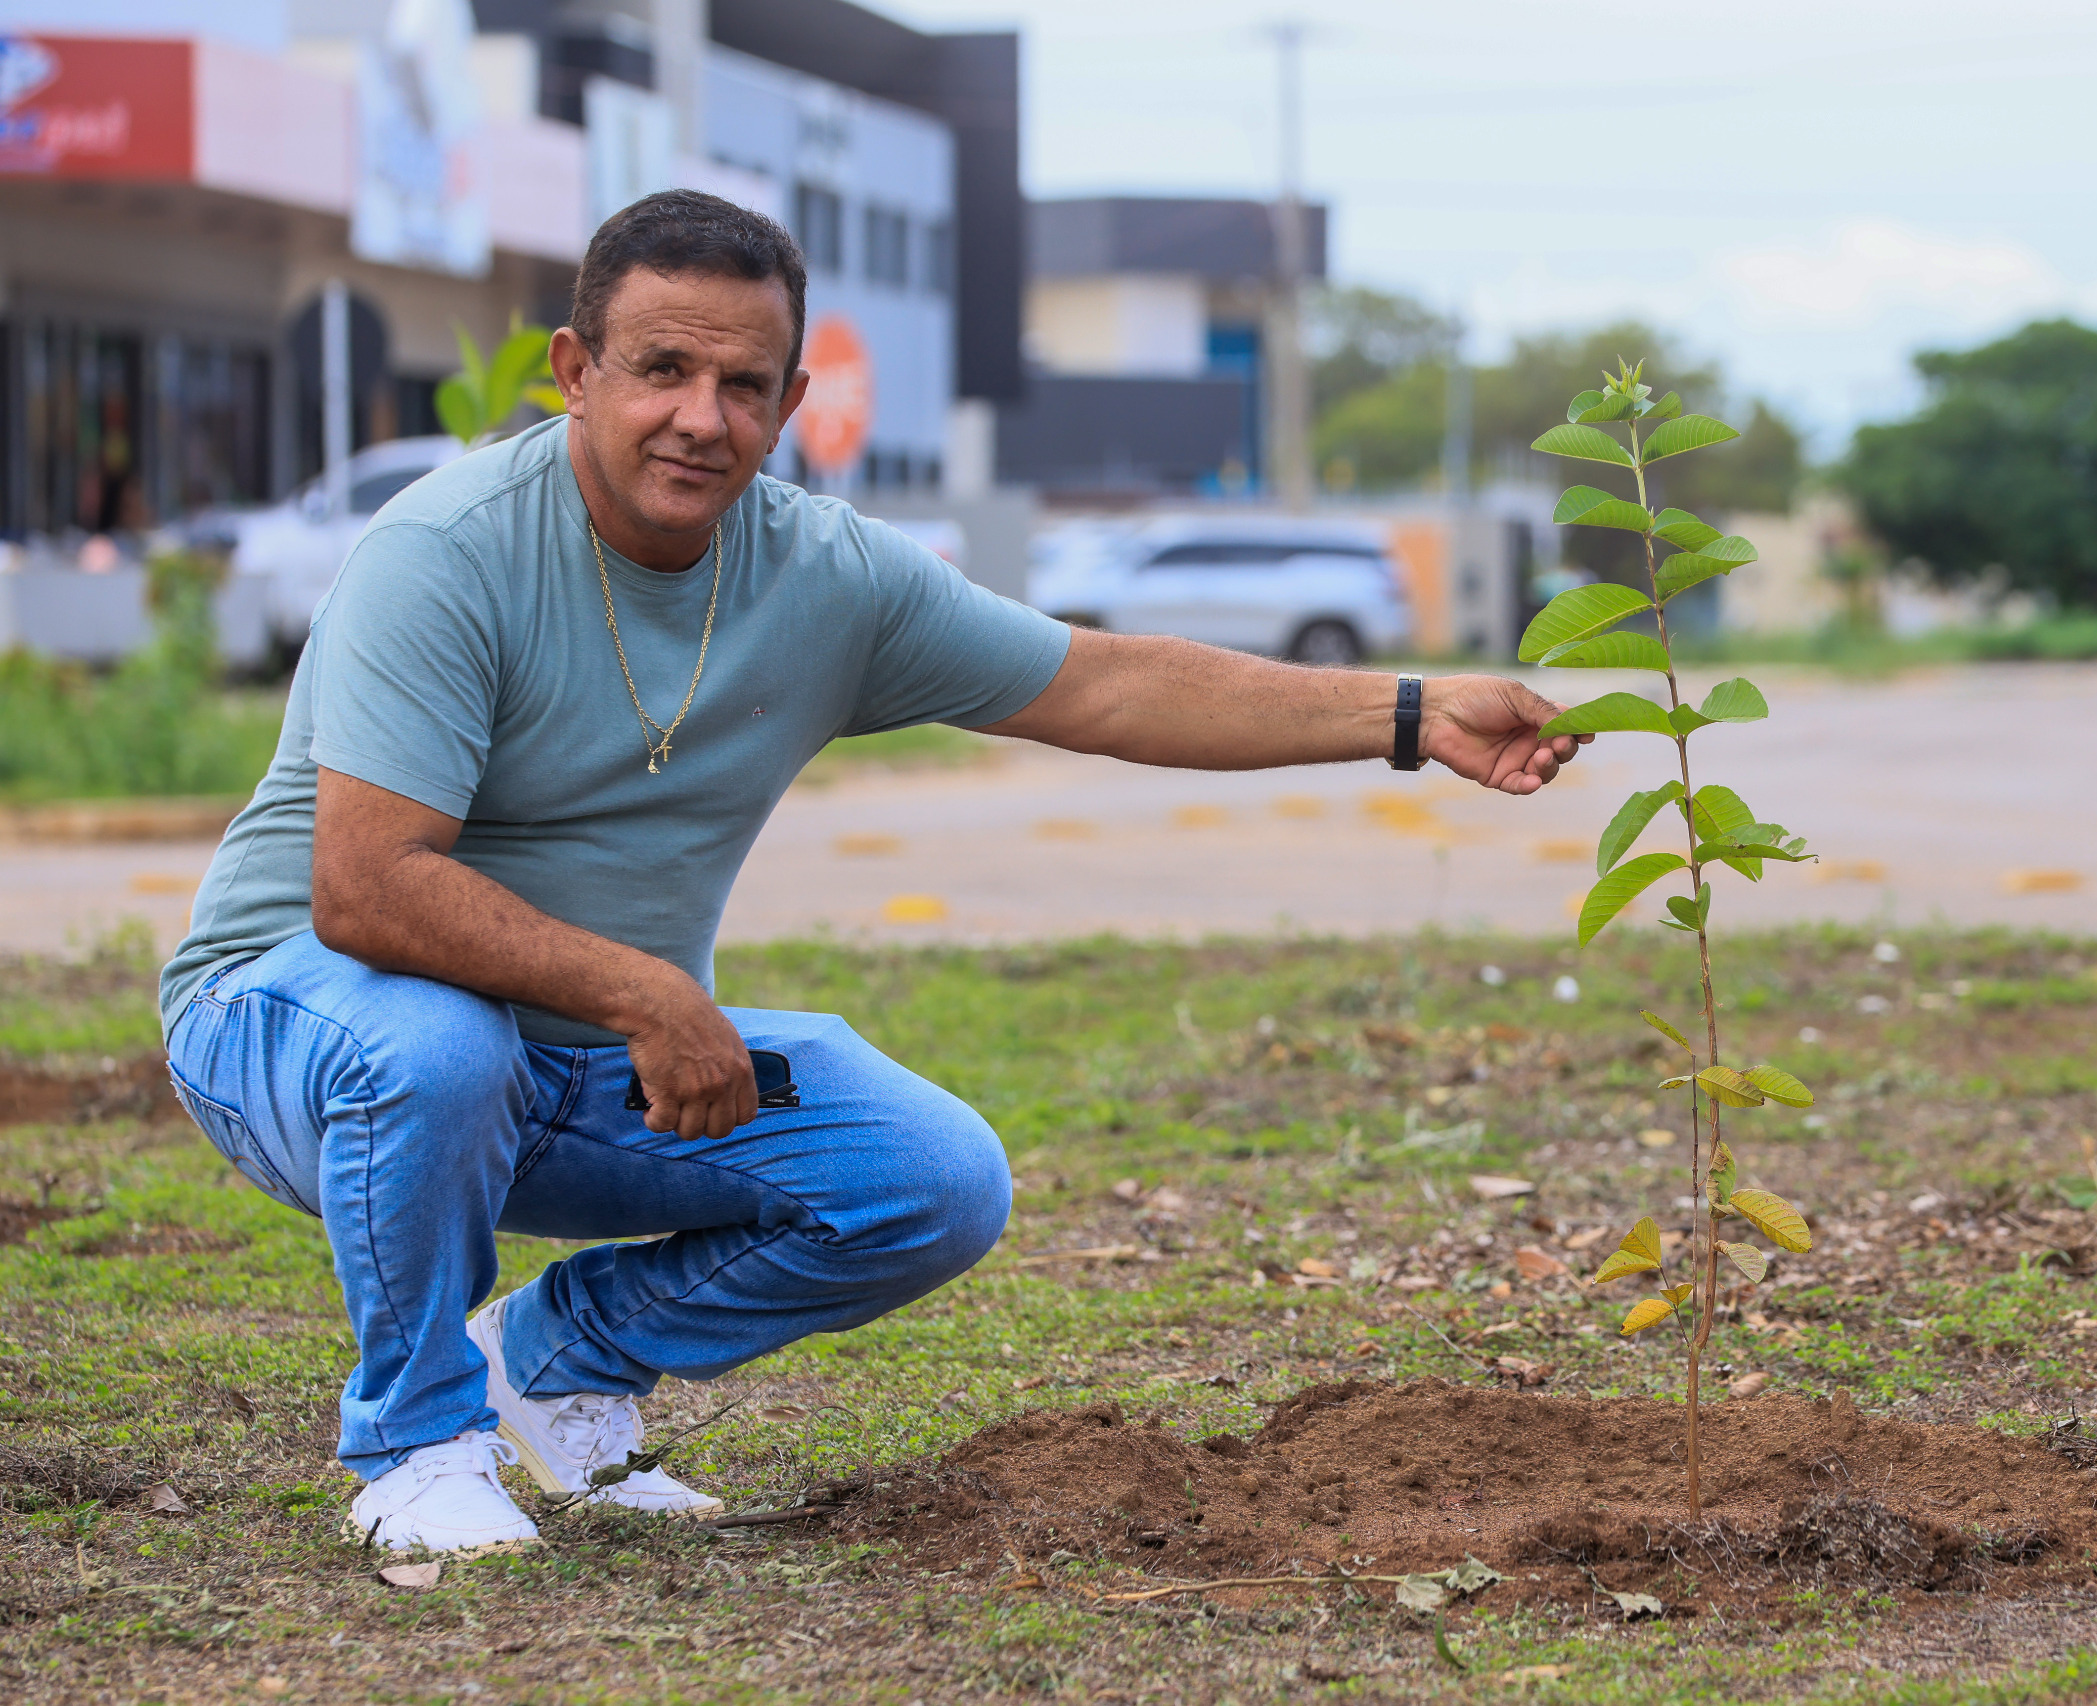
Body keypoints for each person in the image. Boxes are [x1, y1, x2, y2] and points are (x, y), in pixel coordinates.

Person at [159, 190, 1585, 1556]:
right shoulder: (447, 551)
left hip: (578, 1058)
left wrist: (1408, 715)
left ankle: (552, 1359)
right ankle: (415, 1448)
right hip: (300, 1026)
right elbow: (370, 890)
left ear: (789, 404)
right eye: (660, 369)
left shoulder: (825, 576)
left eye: (745, 384)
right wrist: (647, 990)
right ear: (574, 371)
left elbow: (1101, 683)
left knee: (930, 1174)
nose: (700, 418)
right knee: (437, 1043)